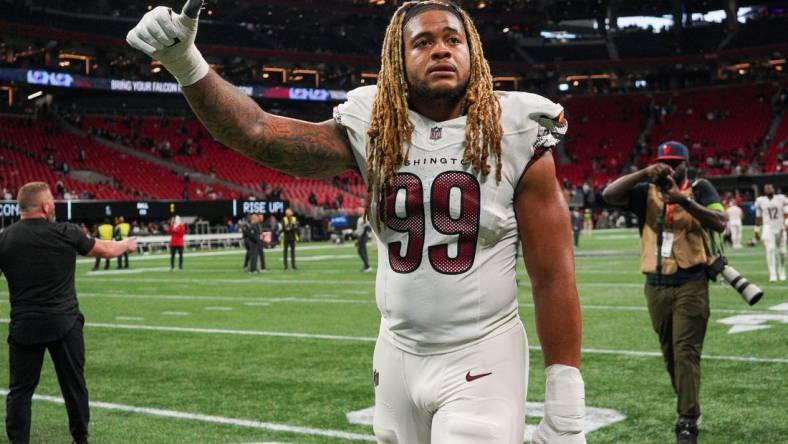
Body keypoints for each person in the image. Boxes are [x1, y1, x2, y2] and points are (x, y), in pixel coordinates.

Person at [127, 1, 586, 442]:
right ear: (398, 59)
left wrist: (566, 407)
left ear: (473, 52)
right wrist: (187, 64)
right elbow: (258, 133)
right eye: (422, 42)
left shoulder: (517, 129)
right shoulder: (373, 126)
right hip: (397, 352)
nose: (441, 49)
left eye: (453, 39)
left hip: (484, 349)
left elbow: (553, 277)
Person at [602, 141, 727, 444]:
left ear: (686, 164)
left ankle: (686, 422)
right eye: (663, 161)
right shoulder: (646, 191)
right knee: (671, 355)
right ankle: (690, 405)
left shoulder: (701, 187)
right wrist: (644, 172)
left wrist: (683, 201)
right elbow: (608, 194)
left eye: (675, 162)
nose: (669, 167)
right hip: (656, 285)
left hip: (692, 282)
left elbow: (720, 222)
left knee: (686, 352)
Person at [0, 182, 136, 444]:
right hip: (64, 323)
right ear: (46, 206)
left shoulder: (5, 239)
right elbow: (106, 250)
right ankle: (80, 437)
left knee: (20, 391)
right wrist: (126, 244)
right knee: (74, 386)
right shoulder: (65, 232)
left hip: (25, 325)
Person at [754, 184, 787, 281]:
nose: (768, 189)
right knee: (770, 250)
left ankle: (781, 269)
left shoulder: (781, 198)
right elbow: (758, 217)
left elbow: (786, 213)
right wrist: (756, 230)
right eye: (766, 188)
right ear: (764, 191)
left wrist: (786, 224)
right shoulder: (760, 200)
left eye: (770, 187)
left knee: (782, 251)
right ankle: (772, 274)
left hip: (780, 226)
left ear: (774, 189)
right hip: (768, 227)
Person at [354, 206, 372, 272]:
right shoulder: (360, 218)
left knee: (361, 251)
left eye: (360, 210)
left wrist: (359, 239)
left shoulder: (364, 218)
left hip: (363, 236)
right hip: (361, 236)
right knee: (362, 251)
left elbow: (367, 228)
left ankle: (367, 266)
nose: (358, 211)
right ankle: (366, 266)